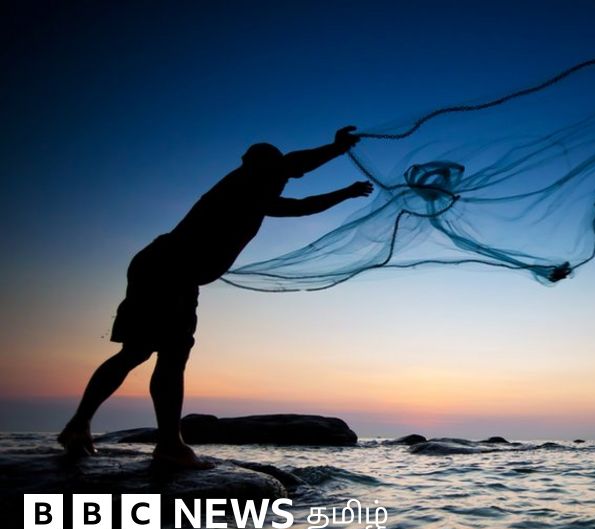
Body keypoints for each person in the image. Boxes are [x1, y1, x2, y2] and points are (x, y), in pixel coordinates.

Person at [57, 126, 373, 468]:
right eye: (280, 171)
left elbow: (296, 176)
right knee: (165, 355)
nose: (286, 177)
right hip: (170, 270)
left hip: (164, 268)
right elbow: (299, 192)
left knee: (141, 352)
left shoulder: (252, 186)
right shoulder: (247, 186)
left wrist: (338, 159)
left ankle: (87, 426)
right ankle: (166, 443)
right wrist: (341, 173)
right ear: (261, 167)